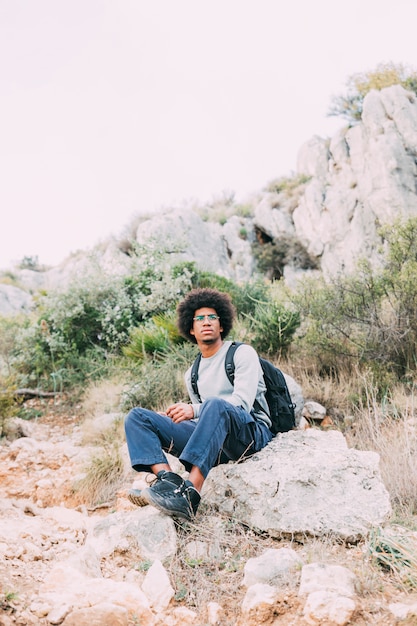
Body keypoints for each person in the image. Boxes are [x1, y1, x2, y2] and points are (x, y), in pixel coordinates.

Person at [124, 287, 273, 521]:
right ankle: (168, 482)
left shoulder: (242, 354)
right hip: (218, 442)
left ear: (221, 325)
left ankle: (190, 494)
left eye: (212, 317)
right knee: (138, 417)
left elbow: (240, 404)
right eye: (199, 319)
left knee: (215, 405)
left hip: (251, 432)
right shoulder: (192, 374)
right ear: (191, 329)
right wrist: (175, 419)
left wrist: (193, 410)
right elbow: (204, 423)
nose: (206, 322)